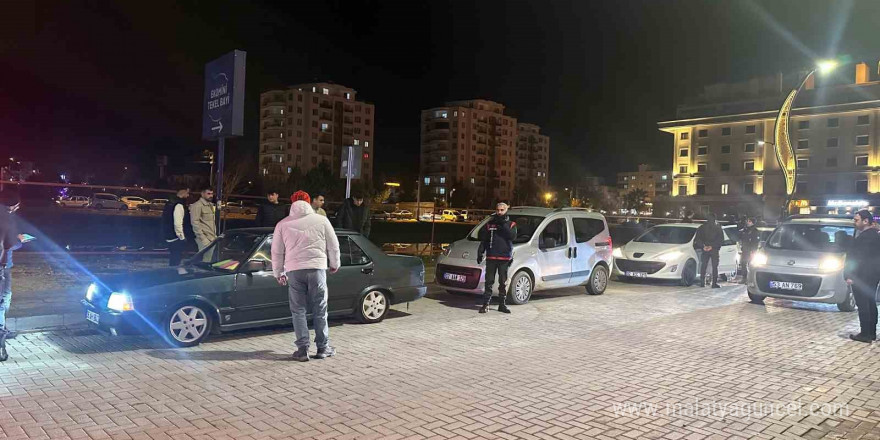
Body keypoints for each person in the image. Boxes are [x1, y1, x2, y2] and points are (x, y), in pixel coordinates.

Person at [272, 199, 340, 362]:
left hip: (294, 270)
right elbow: (333, 244)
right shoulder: (322, 220)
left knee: (298, 310)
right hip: (317, 269)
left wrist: (278, 272)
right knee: (320, 308)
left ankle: (303, 349)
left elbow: (277, 251)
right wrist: (334, 263)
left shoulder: (282, 224)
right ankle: (323, 347)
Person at [844, 210, 880, 343]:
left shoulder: (866, 237)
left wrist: (850, 275)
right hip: (872, 275)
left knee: (863, 304)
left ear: (866, 221)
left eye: (856, 220)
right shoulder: (875, 235)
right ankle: (871, 332)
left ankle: (865, 333)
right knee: (870, 303)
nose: (854, 222)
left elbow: (858, 258)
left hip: (862, 276)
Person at [476, 202, 517, 314]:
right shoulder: (490, 224)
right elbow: (483, 238)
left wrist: (503, 224)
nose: (499, 212)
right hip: (491, 256)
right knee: (489, 281)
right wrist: (480, 252)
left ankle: (502, 304)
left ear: (506, 210)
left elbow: (512, 236)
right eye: (498, 210)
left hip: (504, 258)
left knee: (502, 282)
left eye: (502, 210)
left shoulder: (511, 224)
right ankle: (485, 304)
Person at [0, 190, 26, 349]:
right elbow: (10, 244)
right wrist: (19, 240)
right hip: (3, 264)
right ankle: (1, 329)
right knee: (4, 296)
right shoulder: (7, 218)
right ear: (13, 206)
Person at [694, 213, 723, 288]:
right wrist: (712, 246)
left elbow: (697, 239)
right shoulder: (718, 228)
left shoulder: (702, 227)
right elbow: (720, 240)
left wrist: (703, 246)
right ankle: (714, 283)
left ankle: (702, 282)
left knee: (703, 265)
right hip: (714, 249)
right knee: (714, 266)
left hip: (705, 248)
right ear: (714, 219)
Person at [162, 188, 190, 266]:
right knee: (176, 258)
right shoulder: (179, 205)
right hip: (175, 237)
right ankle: (173, 275)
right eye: (187, 193)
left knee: (173, 257)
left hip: (169, 234)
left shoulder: (169, 203)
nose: (188, 195)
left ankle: (172, 274)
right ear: (183, 192)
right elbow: (178, 224)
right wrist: (182, 237)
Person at [739, 217, 760, 283]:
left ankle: (750, 279)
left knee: (751, 265)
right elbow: (742, 239)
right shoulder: (745, 230)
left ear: (752, 222)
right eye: (747, 221)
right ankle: (744, 278)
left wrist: (753, 251)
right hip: (745, 250)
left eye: (749, 221)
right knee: (743, 263)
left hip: (751, 251)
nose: (747, 222)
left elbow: (755, 242)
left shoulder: (755, 231)